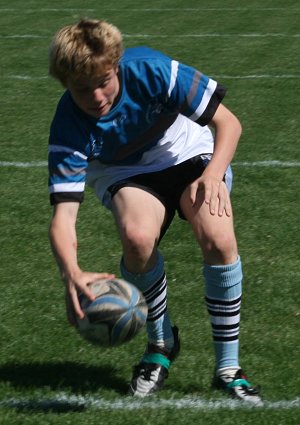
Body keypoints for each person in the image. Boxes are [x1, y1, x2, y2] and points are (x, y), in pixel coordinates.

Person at [48, 18, 262, 405]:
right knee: (137, 238)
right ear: (65, 85)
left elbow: (228, 123)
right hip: (124, 170)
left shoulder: (152, 69)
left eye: (104, 82)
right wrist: (71, 273)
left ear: (117, 64)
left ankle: (229, 368)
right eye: (82, 89)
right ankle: (160, 345)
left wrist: (213, 174)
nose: (97, 97)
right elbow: (63, 217)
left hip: (188, 150)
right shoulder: (68, 126)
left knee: (217, 237)